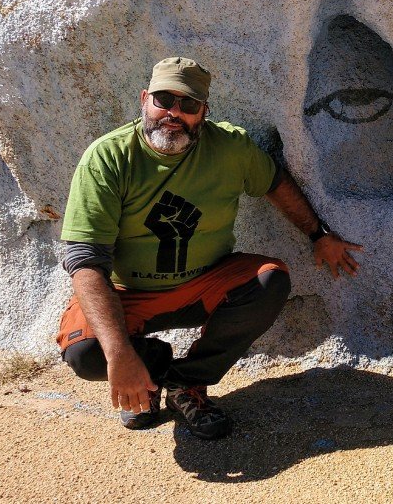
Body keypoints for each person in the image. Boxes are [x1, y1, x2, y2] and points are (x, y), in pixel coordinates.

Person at [55, 56, 361, 439]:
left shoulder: (230, 148)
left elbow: (274, 181)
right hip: (126, 293)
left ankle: (186, 382)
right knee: (86, 355)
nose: (174, 113)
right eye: (164, 100)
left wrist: (319, 234)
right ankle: (146, 373)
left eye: (189, 105)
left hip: (203, 284)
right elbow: (85, 262)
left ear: (203, 112)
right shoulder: (108, 157)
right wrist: (120, 355)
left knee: (270, 281)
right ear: (144, 99)